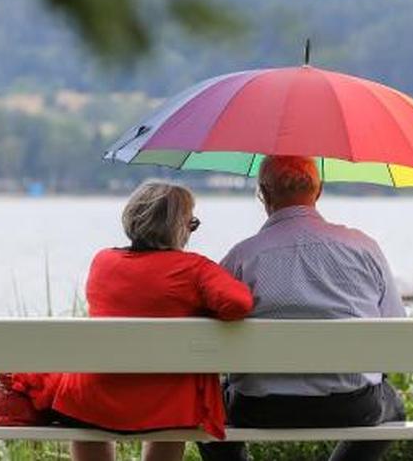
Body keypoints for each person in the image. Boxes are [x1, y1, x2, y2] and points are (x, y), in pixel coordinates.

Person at [13, 181, 253, 461]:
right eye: (192, 224)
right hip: (165, 408)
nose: (190, 233)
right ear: (177, 227)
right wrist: (202, 311)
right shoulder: (194, 269)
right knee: (172, 402)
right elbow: (239, 303)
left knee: (85, 401)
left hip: (92, 403)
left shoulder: (102, 262)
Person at [199, 155, 407, 461]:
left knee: (207, 408)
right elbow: (395, 326)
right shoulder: (364, 248)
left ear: (264, 194)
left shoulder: (241, 257)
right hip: (351, 405)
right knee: (394, 407)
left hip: (259, 407)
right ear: (318, 191)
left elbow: (207, 332)